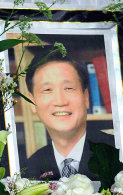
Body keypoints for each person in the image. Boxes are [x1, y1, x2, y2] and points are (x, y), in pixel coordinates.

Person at [22, 51, 114, 181]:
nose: (60, 101)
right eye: (47, 90)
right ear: (32, 102)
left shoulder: (120, 153)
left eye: (69, 88)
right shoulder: (28, 171)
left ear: (86, 98)